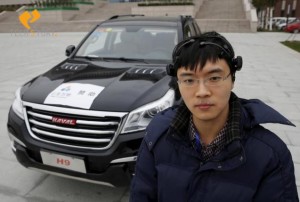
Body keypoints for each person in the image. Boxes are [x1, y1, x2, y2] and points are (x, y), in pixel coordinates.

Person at [130, 31, 299, 202]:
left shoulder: (270, 155)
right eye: (189, 80)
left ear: (232, 79)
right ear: (178, 84)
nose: (202, 92)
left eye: (214, 78)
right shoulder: (157, 135)